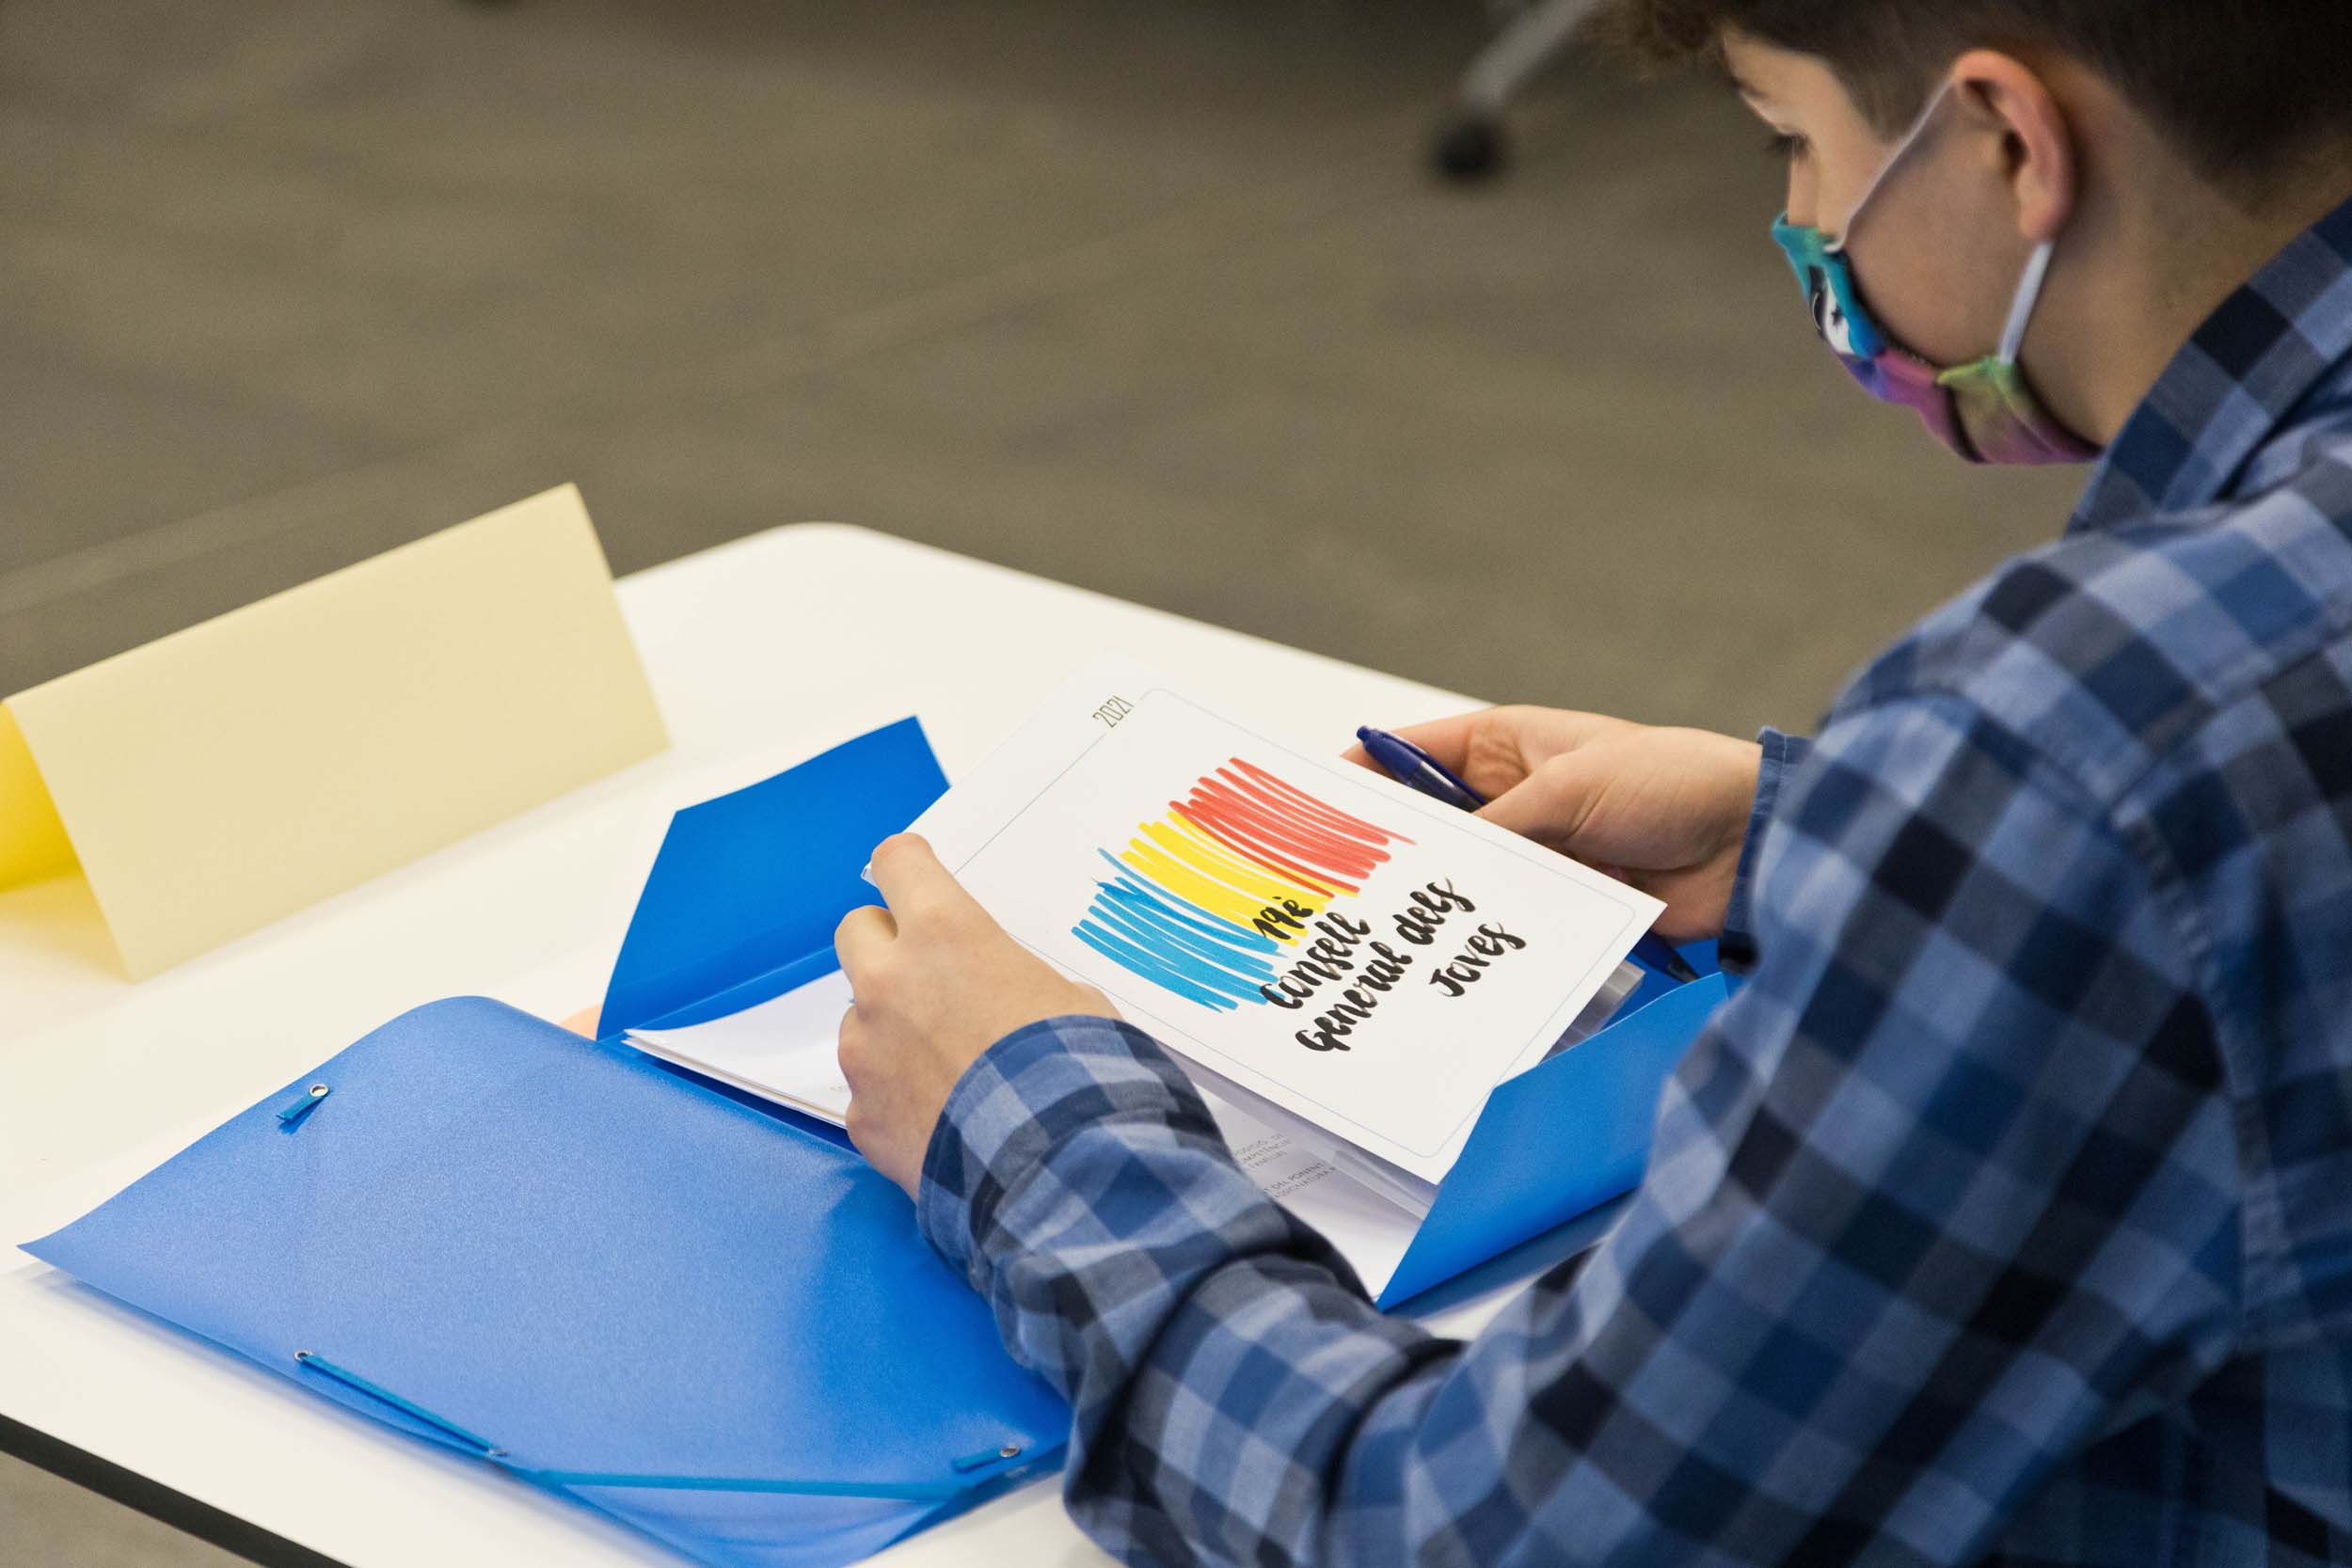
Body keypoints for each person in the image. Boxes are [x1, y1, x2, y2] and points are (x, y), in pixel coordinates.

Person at [830, 3, 2352, 1561]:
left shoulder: (2079, 749)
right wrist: (1834, 830)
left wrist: (1030, 1121)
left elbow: (1493, 1534)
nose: (1800, 220)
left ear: (2012, 144)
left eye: (1792, 138)